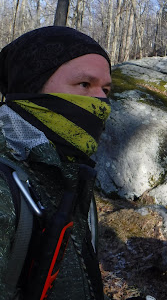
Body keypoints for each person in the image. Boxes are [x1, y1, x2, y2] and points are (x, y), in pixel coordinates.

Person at [0, 26, 112, 300]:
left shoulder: (70, 173)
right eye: (84, 84)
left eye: (106, 89)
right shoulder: (6, 186)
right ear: (31, 88)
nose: (101, 100)